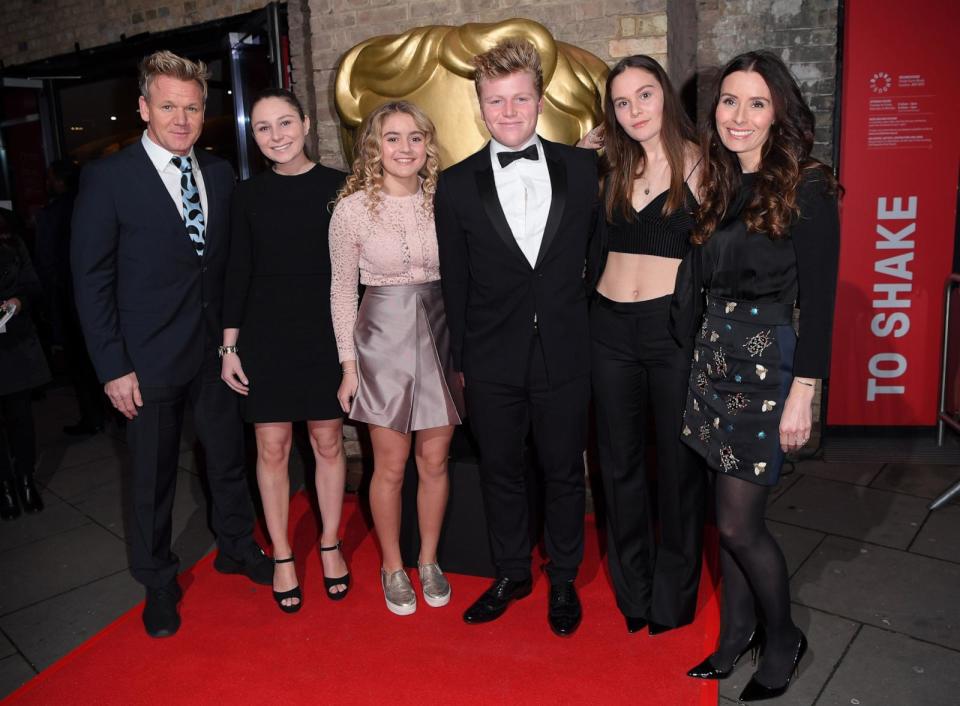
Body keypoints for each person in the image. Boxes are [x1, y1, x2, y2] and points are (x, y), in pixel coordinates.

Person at [71, 50, 272, 638]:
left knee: (228, 462)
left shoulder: (216, 173)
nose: (181, 119)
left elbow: (225, 265)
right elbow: (91, 280)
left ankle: (235, 545)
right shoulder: (109, 178)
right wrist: (112, 366)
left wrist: (236, 342)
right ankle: (158, 579)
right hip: (146, 360)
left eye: (191, 107)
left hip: (214, 354)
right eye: (167, 106)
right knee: (152, 479)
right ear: (142, 108)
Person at [676, 51, 839, 701]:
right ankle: (736, 631)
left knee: (742, 524)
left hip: (769, 363)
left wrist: (806, 390)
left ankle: (783, 636)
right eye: (729, 101)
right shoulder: (719, 182)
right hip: (714, 359)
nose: (739, 116)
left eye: (756, 103)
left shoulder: (808, 183)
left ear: (780, 113)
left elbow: (821, 301)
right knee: (726, 516)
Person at [435, 38, 599, 637]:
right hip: (490, 358)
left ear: (539, 99)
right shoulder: (454, 186)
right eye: (496, 101)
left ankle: (562, 578)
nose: (509, 111)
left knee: (562, 470)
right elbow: (455, 281)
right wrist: (461, 364)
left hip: (565, 351)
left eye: (520, 98)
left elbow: (598, 258)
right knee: (501, 469)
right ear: (481, 107)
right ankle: (511, 572)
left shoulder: (584, 170)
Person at [584, 55, 706, 636]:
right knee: (618, 461)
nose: (635, 110)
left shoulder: (704, 164)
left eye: (645, 95)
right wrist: (581, 157)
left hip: (669, 331)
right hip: (608, 327)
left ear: (666, 96)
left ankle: (672, 598)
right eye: (623, 102)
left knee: (677, 465)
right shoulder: (611, 168)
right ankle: (633, 592)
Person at [329, 101, 464, 616]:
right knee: (389, 466)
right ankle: (391, 565)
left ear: (428, 144)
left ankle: (428, 559)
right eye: (392, 138)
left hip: (441, 333)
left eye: (414, 137)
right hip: (379, 340)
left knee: (435, 460)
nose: (404, 148)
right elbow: (342, 292)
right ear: (374, 147)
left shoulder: (444, 201)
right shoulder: (352, 210)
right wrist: (348, 365)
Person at [221, 88, 349, 613]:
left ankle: (330, 543)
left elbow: (354, 274)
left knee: (327, 443)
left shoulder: (340, 188)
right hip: (265, 335)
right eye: (264, 128)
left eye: (284, 123)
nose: (276, 136)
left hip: (325, 330)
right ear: (255, 136)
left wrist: (354, 351)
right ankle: (281, 554)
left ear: (305, 124)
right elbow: (236, 272)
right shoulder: (246, 195)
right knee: (270, 448)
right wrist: (228, 347)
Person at [35, 159, 106, 436]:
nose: (47, 183)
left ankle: (93, 416)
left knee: (80, 361)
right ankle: (120, 414)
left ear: (60, 180)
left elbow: (46, 262)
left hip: (69, 296)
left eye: (50, 178)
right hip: (98, 293)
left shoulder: (51, 214)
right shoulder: (92, 205)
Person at [0, 209, 50, 520]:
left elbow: (33, 286)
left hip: (14, 344)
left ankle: (26, 481)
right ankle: (4, 486)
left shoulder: (12, 239)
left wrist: (17, 302)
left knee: (21, 420)